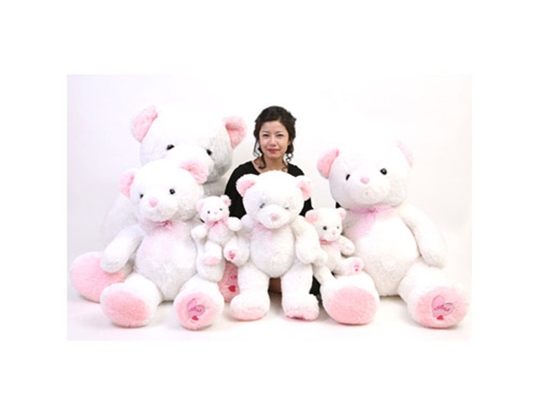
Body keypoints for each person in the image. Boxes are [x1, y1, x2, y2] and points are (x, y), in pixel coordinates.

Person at [224, 105, 320, 295]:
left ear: (289, 139)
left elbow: (304, 219)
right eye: (266, 135)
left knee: (316, 283)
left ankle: (276, 282)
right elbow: (230, 219)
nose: (272, 142)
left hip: (286, 253)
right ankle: (263, 282)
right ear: (258, 138)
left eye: (279, 135)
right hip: (252, 253)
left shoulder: (296, 175)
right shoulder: (243, 174)